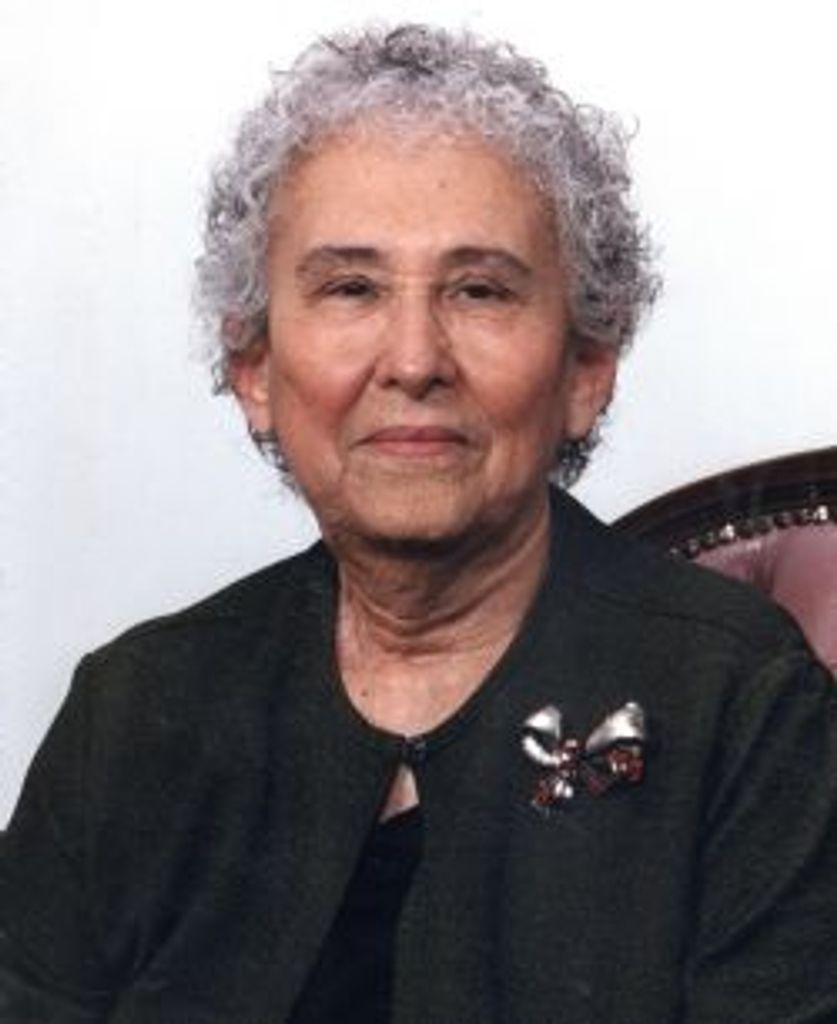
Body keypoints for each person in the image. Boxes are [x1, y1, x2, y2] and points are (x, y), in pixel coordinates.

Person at [1, 22, 835, 1024]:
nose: (412, 360)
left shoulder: (745, 704)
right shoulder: (134, 710)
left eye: (480, 290)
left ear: (586, 368)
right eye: (351, 288)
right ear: (254, 369)